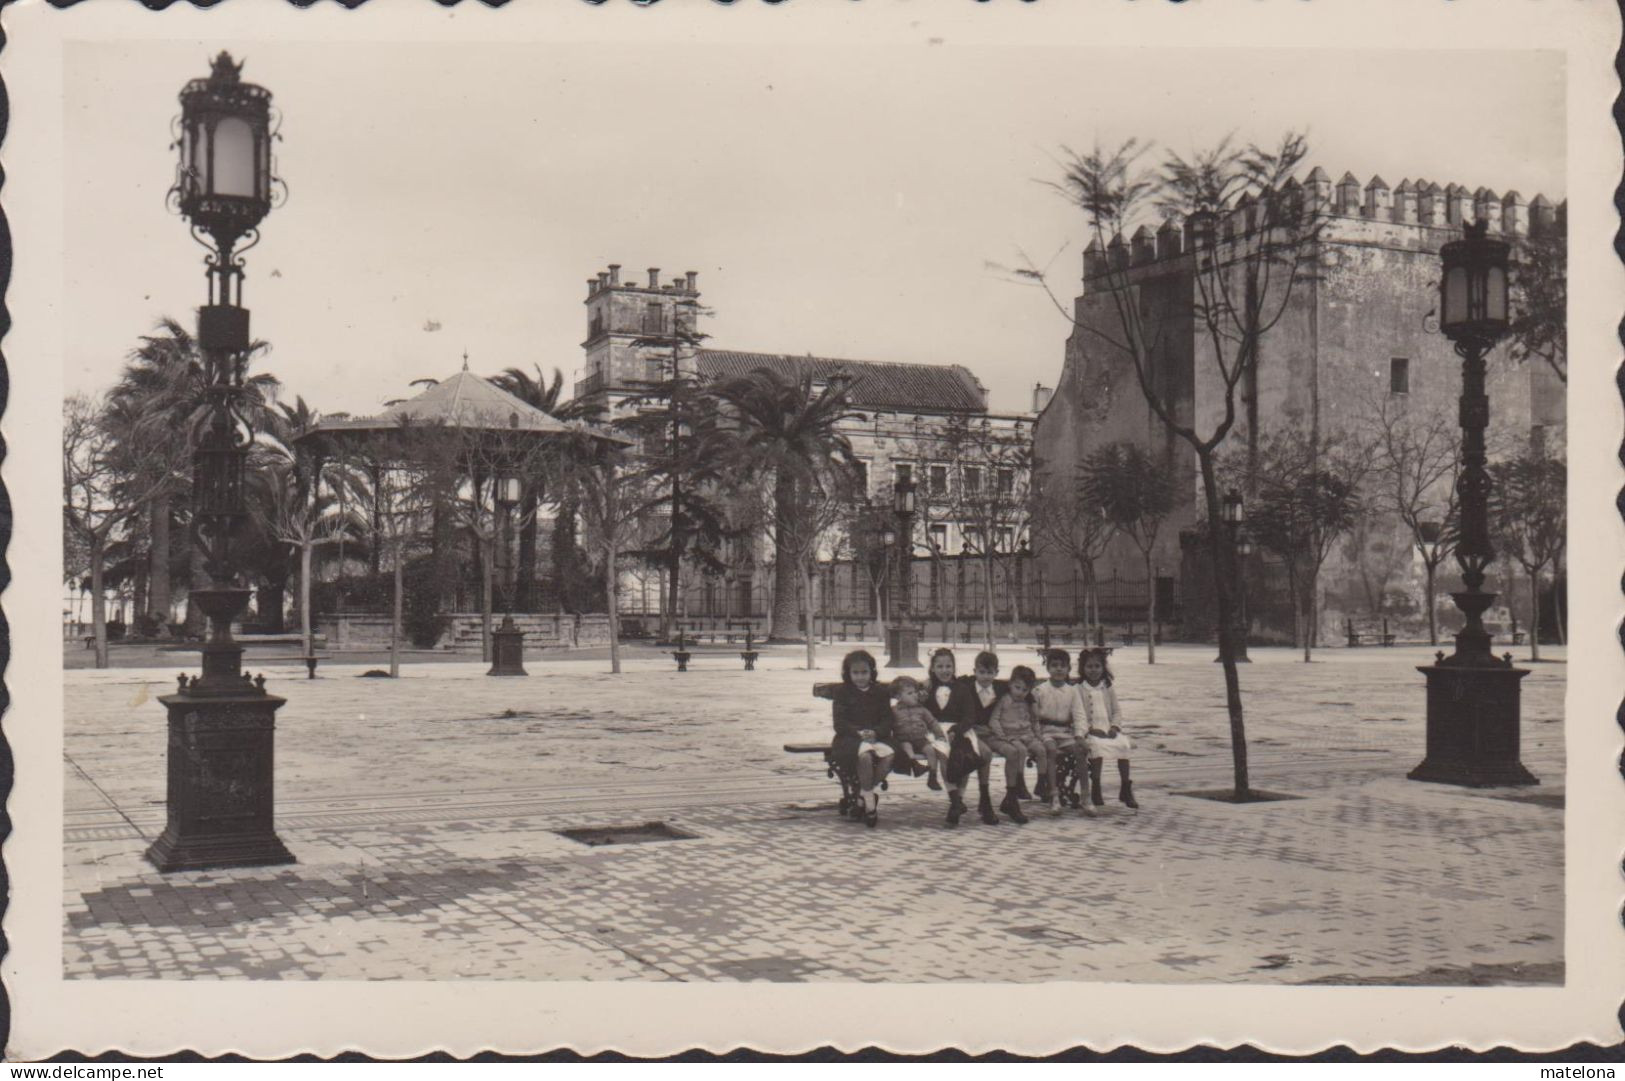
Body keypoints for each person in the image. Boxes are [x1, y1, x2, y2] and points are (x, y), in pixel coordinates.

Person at [927, 648, 1001, 827]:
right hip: (937, 731)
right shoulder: (928, 689)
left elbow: (970, 716)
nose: (945, 670)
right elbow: (923, 713)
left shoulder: (962, 688)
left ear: (954, 667)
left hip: (959, 730)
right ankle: (955, 802)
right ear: (933, 668)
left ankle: (972, 801)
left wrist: (957, 730)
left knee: (972, 755)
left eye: (948, 666)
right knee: (945, 755)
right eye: (940, 666)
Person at [946, 650, 1018, 826]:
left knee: (1013, 752)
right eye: (982, 672)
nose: (986, 677)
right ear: (975, 671)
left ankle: (1011, 798)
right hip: (971, 732)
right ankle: (984, 801)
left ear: (996, 673)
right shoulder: (966, 686)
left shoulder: (1000, 688)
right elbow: (948, 680)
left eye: (990, 672)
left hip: (991, 732)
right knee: (983, 754)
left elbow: (1022, 690)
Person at [830, 649, 896, 828]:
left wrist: (876, 732)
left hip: (876, 737)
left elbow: (887, 719)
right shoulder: (842, 692)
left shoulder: (880, 692)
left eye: (864, 672)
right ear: (848, 673)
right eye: (855, 673)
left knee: (889, 756)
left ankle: (862, 794)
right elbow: (840, 722)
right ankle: (869, 805)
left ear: (872, 672)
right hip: (850, 739)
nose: (860, 677)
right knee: (865, 756)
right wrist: (858, 733)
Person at [1030, 648, 1092, 816]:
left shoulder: (1073, 691)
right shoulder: (1040, 690)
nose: (1058, 669)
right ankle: (1054, 795)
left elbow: (1080, 716)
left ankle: (1086, 796)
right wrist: (1037, 735)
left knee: (1081, 751)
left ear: (1068, 669)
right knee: (1050, 750)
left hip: (1065, 733)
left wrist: (1079, 735)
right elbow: (1034, 717)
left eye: (1062, 666)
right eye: (1054, 665)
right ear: (1048, 668)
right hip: (1046, 732)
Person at [1078, 648, 1139, 809]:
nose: (1093, 670)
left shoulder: (1108, 687)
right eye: (1089, 666)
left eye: (1097, 666)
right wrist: (1089, 729)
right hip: (1091, 731)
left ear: (1103, 668)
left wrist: (1114, 727)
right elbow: (1078, 715)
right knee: (1096, 747)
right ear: (1082, 668)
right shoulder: (1079, 689)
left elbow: (1117, 711)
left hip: (1108, 728)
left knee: (1123, 745)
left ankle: (1126, 788)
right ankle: (1096, 788)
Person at [986, 665, 1047, 825]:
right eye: (1017, 687)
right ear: (1010, 684)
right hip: (1009, 735)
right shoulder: (1004, 700)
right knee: (1019, 750)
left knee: (1041, 749)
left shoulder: (1028, 701)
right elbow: (994, 719)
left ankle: (1041, 783)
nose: (1020, 692)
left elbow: (1034, 720)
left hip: (1027, 734)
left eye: (1025, 689)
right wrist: (1002, 736)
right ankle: (1019, 782)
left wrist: (1038, 735)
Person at [889, 675, 949, 776]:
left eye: (915, 692)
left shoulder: (921, 709)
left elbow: (932, 722)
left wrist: (940, 735)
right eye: (910, 693)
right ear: (898, 697)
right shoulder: (894, 711)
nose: (915, 695)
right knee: (906, 747)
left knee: (930, 750)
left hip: (920, 739)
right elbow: (888, 725)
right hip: (904, 739)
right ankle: (915, 765)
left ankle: (932, 776)